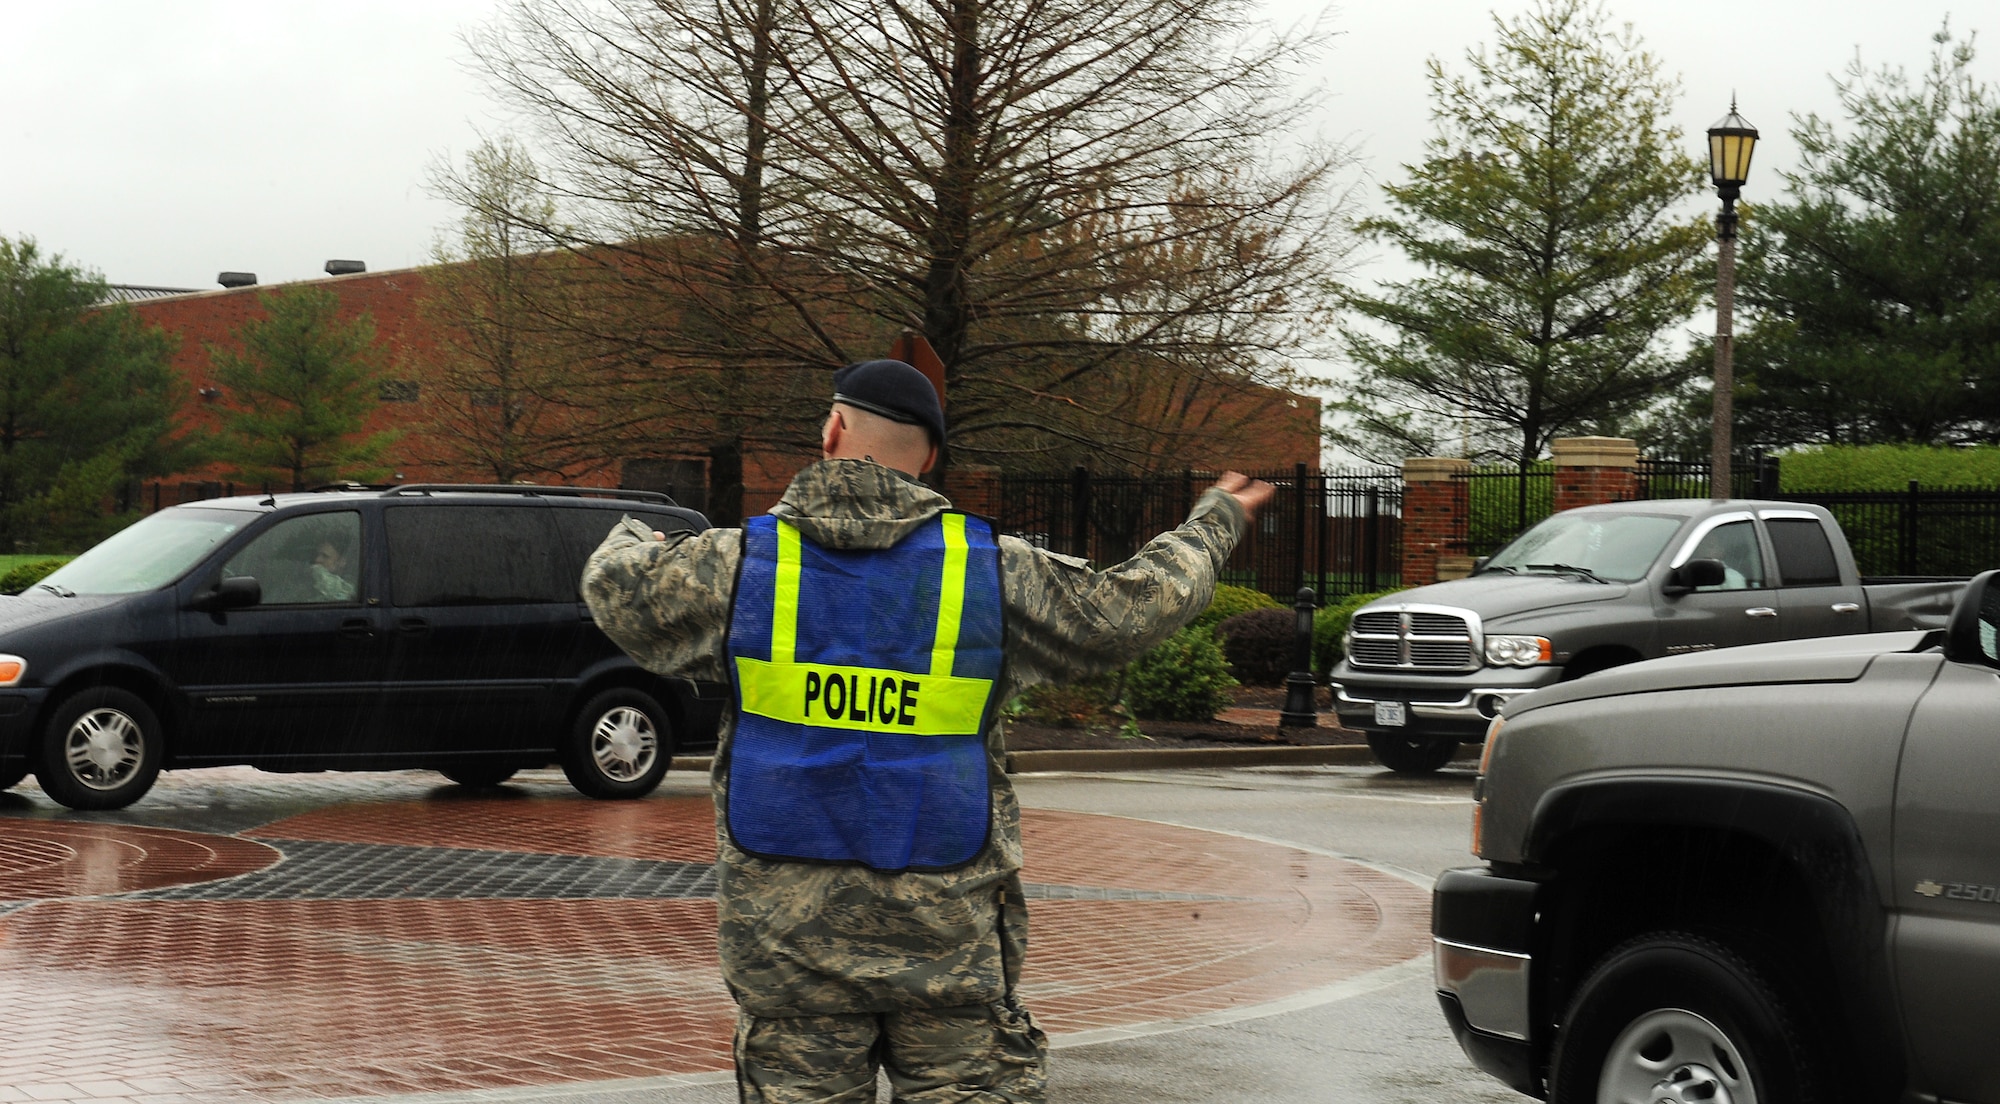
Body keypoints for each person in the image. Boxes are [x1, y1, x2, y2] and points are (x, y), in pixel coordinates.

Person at [582, 359, 1271, 1103]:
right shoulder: (991, 573)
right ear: (932, 458)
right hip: (950, 949)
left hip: (791, 957)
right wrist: (1214, 523)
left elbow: (615, 587)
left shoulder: (740, 566)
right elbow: (1131, 608)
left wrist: (629, 534)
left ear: (833, 430)